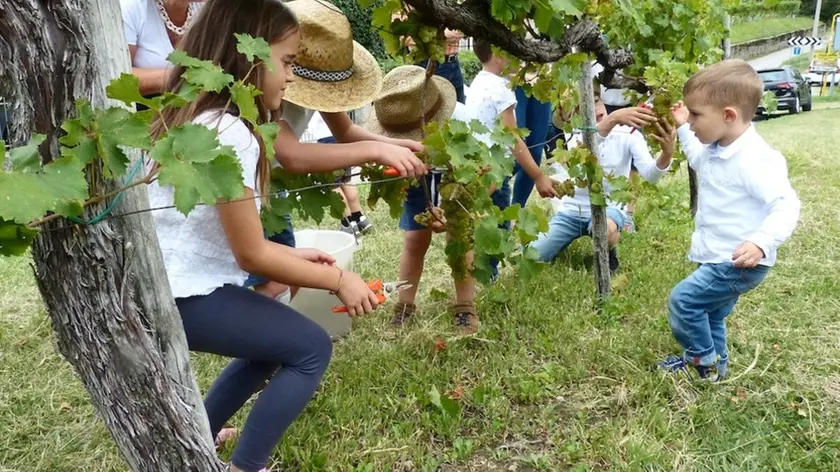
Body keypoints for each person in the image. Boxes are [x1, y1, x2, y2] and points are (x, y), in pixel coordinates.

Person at [146, 1, 381, 470]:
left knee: (271, 345)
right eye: (288, 61)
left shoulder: (201, 118)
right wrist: (339, 281)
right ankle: (246, 466)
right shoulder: (231, 132)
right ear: (249, 55)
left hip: (171, 286)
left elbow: (235, 238)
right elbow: (251, 254)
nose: (291, 77)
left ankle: (202, 432)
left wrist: (300, 256)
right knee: (309, 348)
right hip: (186, 296)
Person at [243, 0, 427, 301]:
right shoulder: (260, 91)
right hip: (244, 192)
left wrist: (398, 145)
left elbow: (347, 132)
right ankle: (263, 342)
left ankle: (269, 342)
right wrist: (375, 152)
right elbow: (291, 155)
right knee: (272, 282)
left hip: (272, 189)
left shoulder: (316, 83)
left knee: (287, 277)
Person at [659, 59, 800, 381]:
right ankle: (715, 369)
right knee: (711, 313)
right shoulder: (716, 146)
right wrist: (682, 124)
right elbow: (695, 158)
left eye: (696, 115)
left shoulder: (756, 159)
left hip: (737, 260)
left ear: (728, 116)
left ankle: (701, 359)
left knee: (684, 301)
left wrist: (760, 242)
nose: (692, 122)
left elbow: (786, 205)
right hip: (716, 255)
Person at [363, 65, 480, 333]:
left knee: (459, 239)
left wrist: (449, 206)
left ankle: (465, 305)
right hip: (415, 175)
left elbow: (485, 173)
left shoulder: (465, 122)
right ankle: (404, 306)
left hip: (459, 178)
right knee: (415, 238)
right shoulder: (397, 120)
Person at [532, 91, 674, 273]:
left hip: (609, 208)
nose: (594, 109)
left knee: (604, 231)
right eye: (581, 108)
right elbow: (587, 145)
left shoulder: (628, 134)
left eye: (596, 101)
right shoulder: (574, 136)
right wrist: (613, 119)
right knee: (533, 256)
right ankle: (557, 244)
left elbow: (650, 175)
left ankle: (609, 249)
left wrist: (667, 154)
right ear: (572, 118)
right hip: (572, 212)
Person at [466, 39, 560, 279]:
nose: (519, 60)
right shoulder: (501, 89)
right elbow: (514, 139)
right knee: (498, 225)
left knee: (482, 222)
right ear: (498, 53)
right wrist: (538, 175)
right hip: (495, 169)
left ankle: (478, 267)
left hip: (478, 165)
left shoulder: (477, 82)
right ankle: (489, 275)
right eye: (514, 54)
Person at [121, 0, 202, 97]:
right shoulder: (130, 7)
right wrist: (177, 77)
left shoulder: (211, 6)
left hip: (205, 104)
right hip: (147, 106)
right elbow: (119, 77)